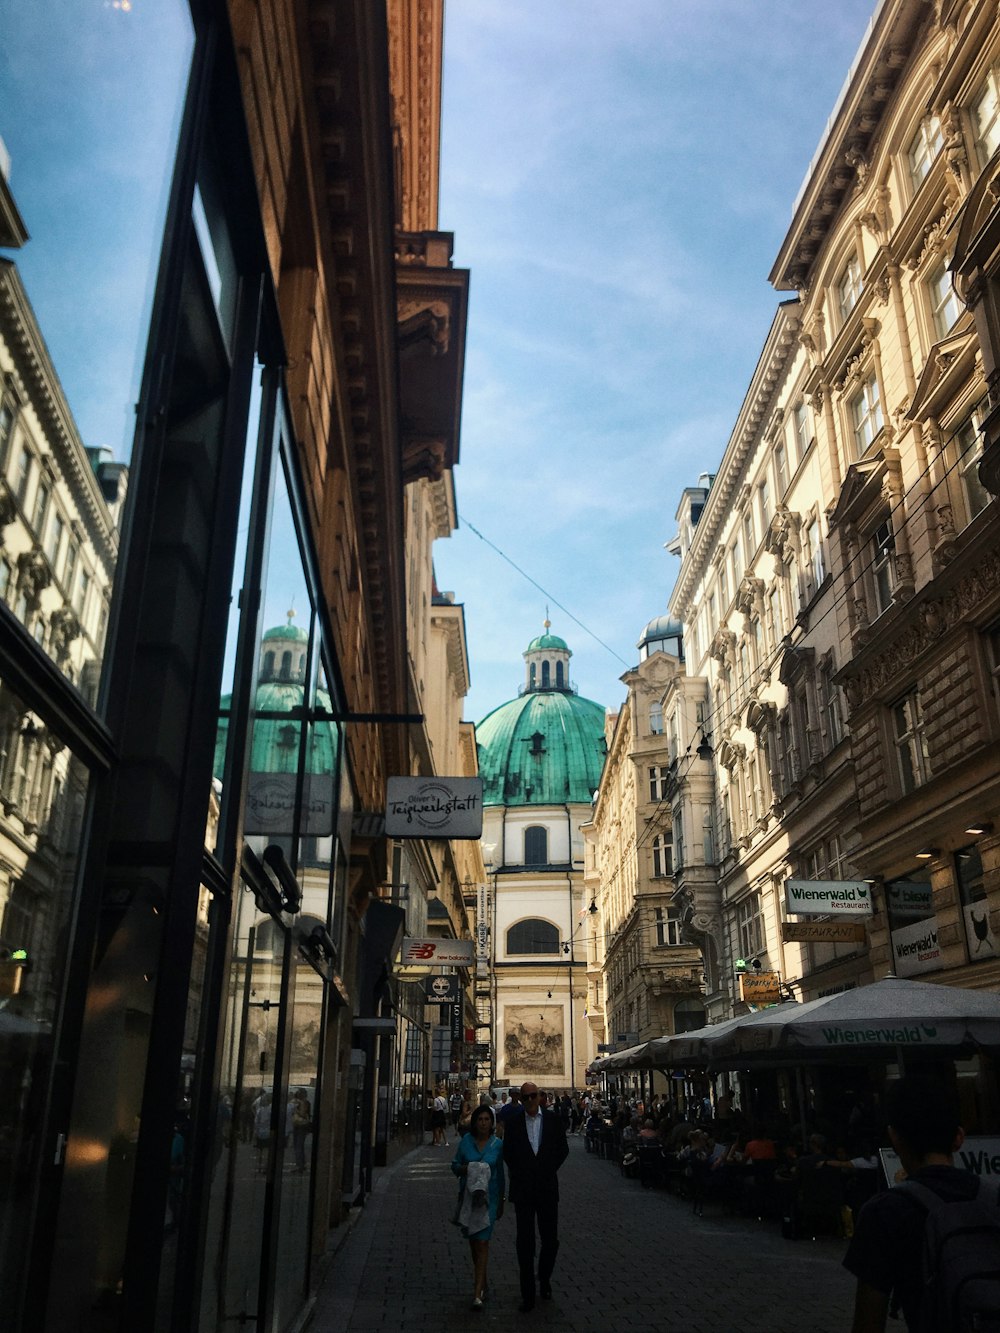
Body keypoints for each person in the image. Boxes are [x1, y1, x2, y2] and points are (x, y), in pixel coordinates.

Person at [843, 1073, 981, 1332]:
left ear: (894, 1138)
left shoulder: (884, 1212)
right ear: (959, 1137)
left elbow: (868, 1322)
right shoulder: (992, 1198)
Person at [502, 1080, 569, 1311]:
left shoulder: (552, 1120)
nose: (530, 1100)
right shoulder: (512, 1123)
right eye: (526, 1097)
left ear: (540, 1096)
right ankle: (527, 1293)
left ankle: (545, 1277)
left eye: (534, 1096)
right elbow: (508, 1152)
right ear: (520, 1099)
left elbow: (563, 1149)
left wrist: (548, 1169)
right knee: (525, 1242)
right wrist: (522, 1172)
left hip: (548, 1189)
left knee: (551, 1240)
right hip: (523, 1191)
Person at [451, 1104, 505, 1310]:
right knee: (474, 1242)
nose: (483, 1123)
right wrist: (469, 1168)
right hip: (469, 1200)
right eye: (480, 1119)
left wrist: (502, 1200)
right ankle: (483, 1281)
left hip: (489, 1200)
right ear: (475, 1122)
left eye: (486, 1119)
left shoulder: (497, 1145)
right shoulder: (466, 1142)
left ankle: (477, 1292)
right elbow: (454, 1165)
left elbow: (500, 1174)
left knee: (482, 1242)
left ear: (491, 1122)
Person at [290, 1088, 311, 1173]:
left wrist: (296, 1110)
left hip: (301, 1126)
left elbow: (302, 1114)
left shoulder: (303, 1103)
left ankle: (300, 1165)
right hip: (300, 1125)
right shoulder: (304, 1102)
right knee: (299, 1146)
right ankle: (301, 1164)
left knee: (298, 1146)